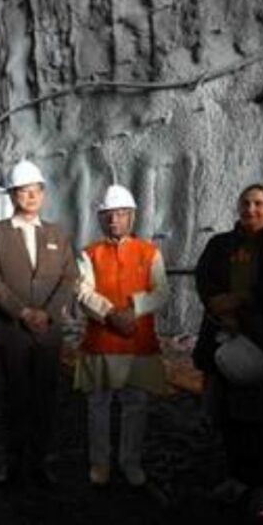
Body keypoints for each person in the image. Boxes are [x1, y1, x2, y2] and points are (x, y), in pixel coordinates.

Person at [193, 184, 263, 517]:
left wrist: (244, 300)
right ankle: (238, 477)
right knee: (231, 416)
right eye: (245, 203)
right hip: (226, 339)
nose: (251, 209)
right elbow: (205, 278)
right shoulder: (220, 245)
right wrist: (219, 307)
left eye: (259, 204)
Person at [0, 160, 78, 488]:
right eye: (24, 190)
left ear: (43, 194)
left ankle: (38, 463)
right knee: (13, 398)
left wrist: (48, 314)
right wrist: (21, 312)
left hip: (47, 334)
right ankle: (12, 464)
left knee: (45, 400)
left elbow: (69, 278)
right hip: (13, 333)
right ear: (13, 195)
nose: (31, 196)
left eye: (36, 190)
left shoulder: (57, 234)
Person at [75, 184, 169, 501]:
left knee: (135, 405)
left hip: (138, 342)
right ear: (101, 219)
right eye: (108, 215)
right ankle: (99, 462)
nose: (114, 220)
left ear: (131, 217)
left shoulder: (149, 252)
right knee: (98, 406)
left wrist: (134, 309)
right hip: (102, 340)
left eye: (121, 214)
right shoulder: (89, 254)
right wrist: (111, 314)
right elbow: (84, 292)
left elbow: (162, 291)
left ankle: (130, 462)